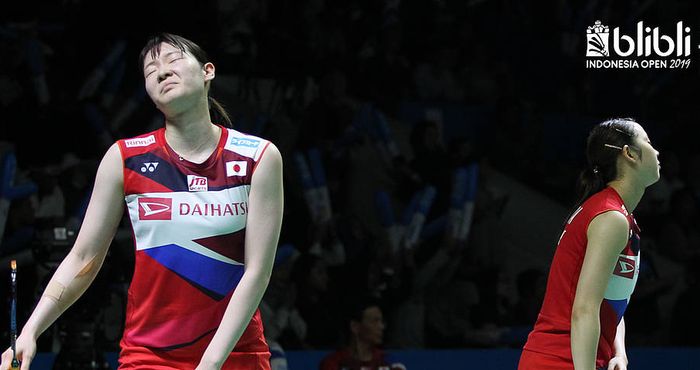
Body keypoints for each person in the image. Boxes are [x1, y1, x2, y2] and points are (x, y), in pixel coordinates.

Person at [1, 33, 284, 370]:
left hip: (237, 355)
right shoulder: (125, 159)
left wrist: (210, 364)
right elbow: (84, 257)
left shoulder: (258, 157)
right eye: (151, 71)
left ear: (208, 71)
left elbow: (258, 272)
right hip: (150, 356)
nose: (162, 72)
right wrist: (31, 330)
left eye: (173, 60)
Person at [518, 118, 660, 370]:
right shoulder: (610, 218)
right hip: (559, 361)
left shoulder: (617, 215)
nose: (656, 151)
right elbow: (583, 309)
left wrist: (619, 352)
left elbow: (612, 297)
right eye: (648, 143)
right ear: (629, 154)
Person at [319, 297, 404, 370]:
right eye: (375, 321)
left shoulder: (390, 363)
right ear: (355, 327)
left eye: (381, 322)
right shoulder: (333, 363)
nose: (381, 327)